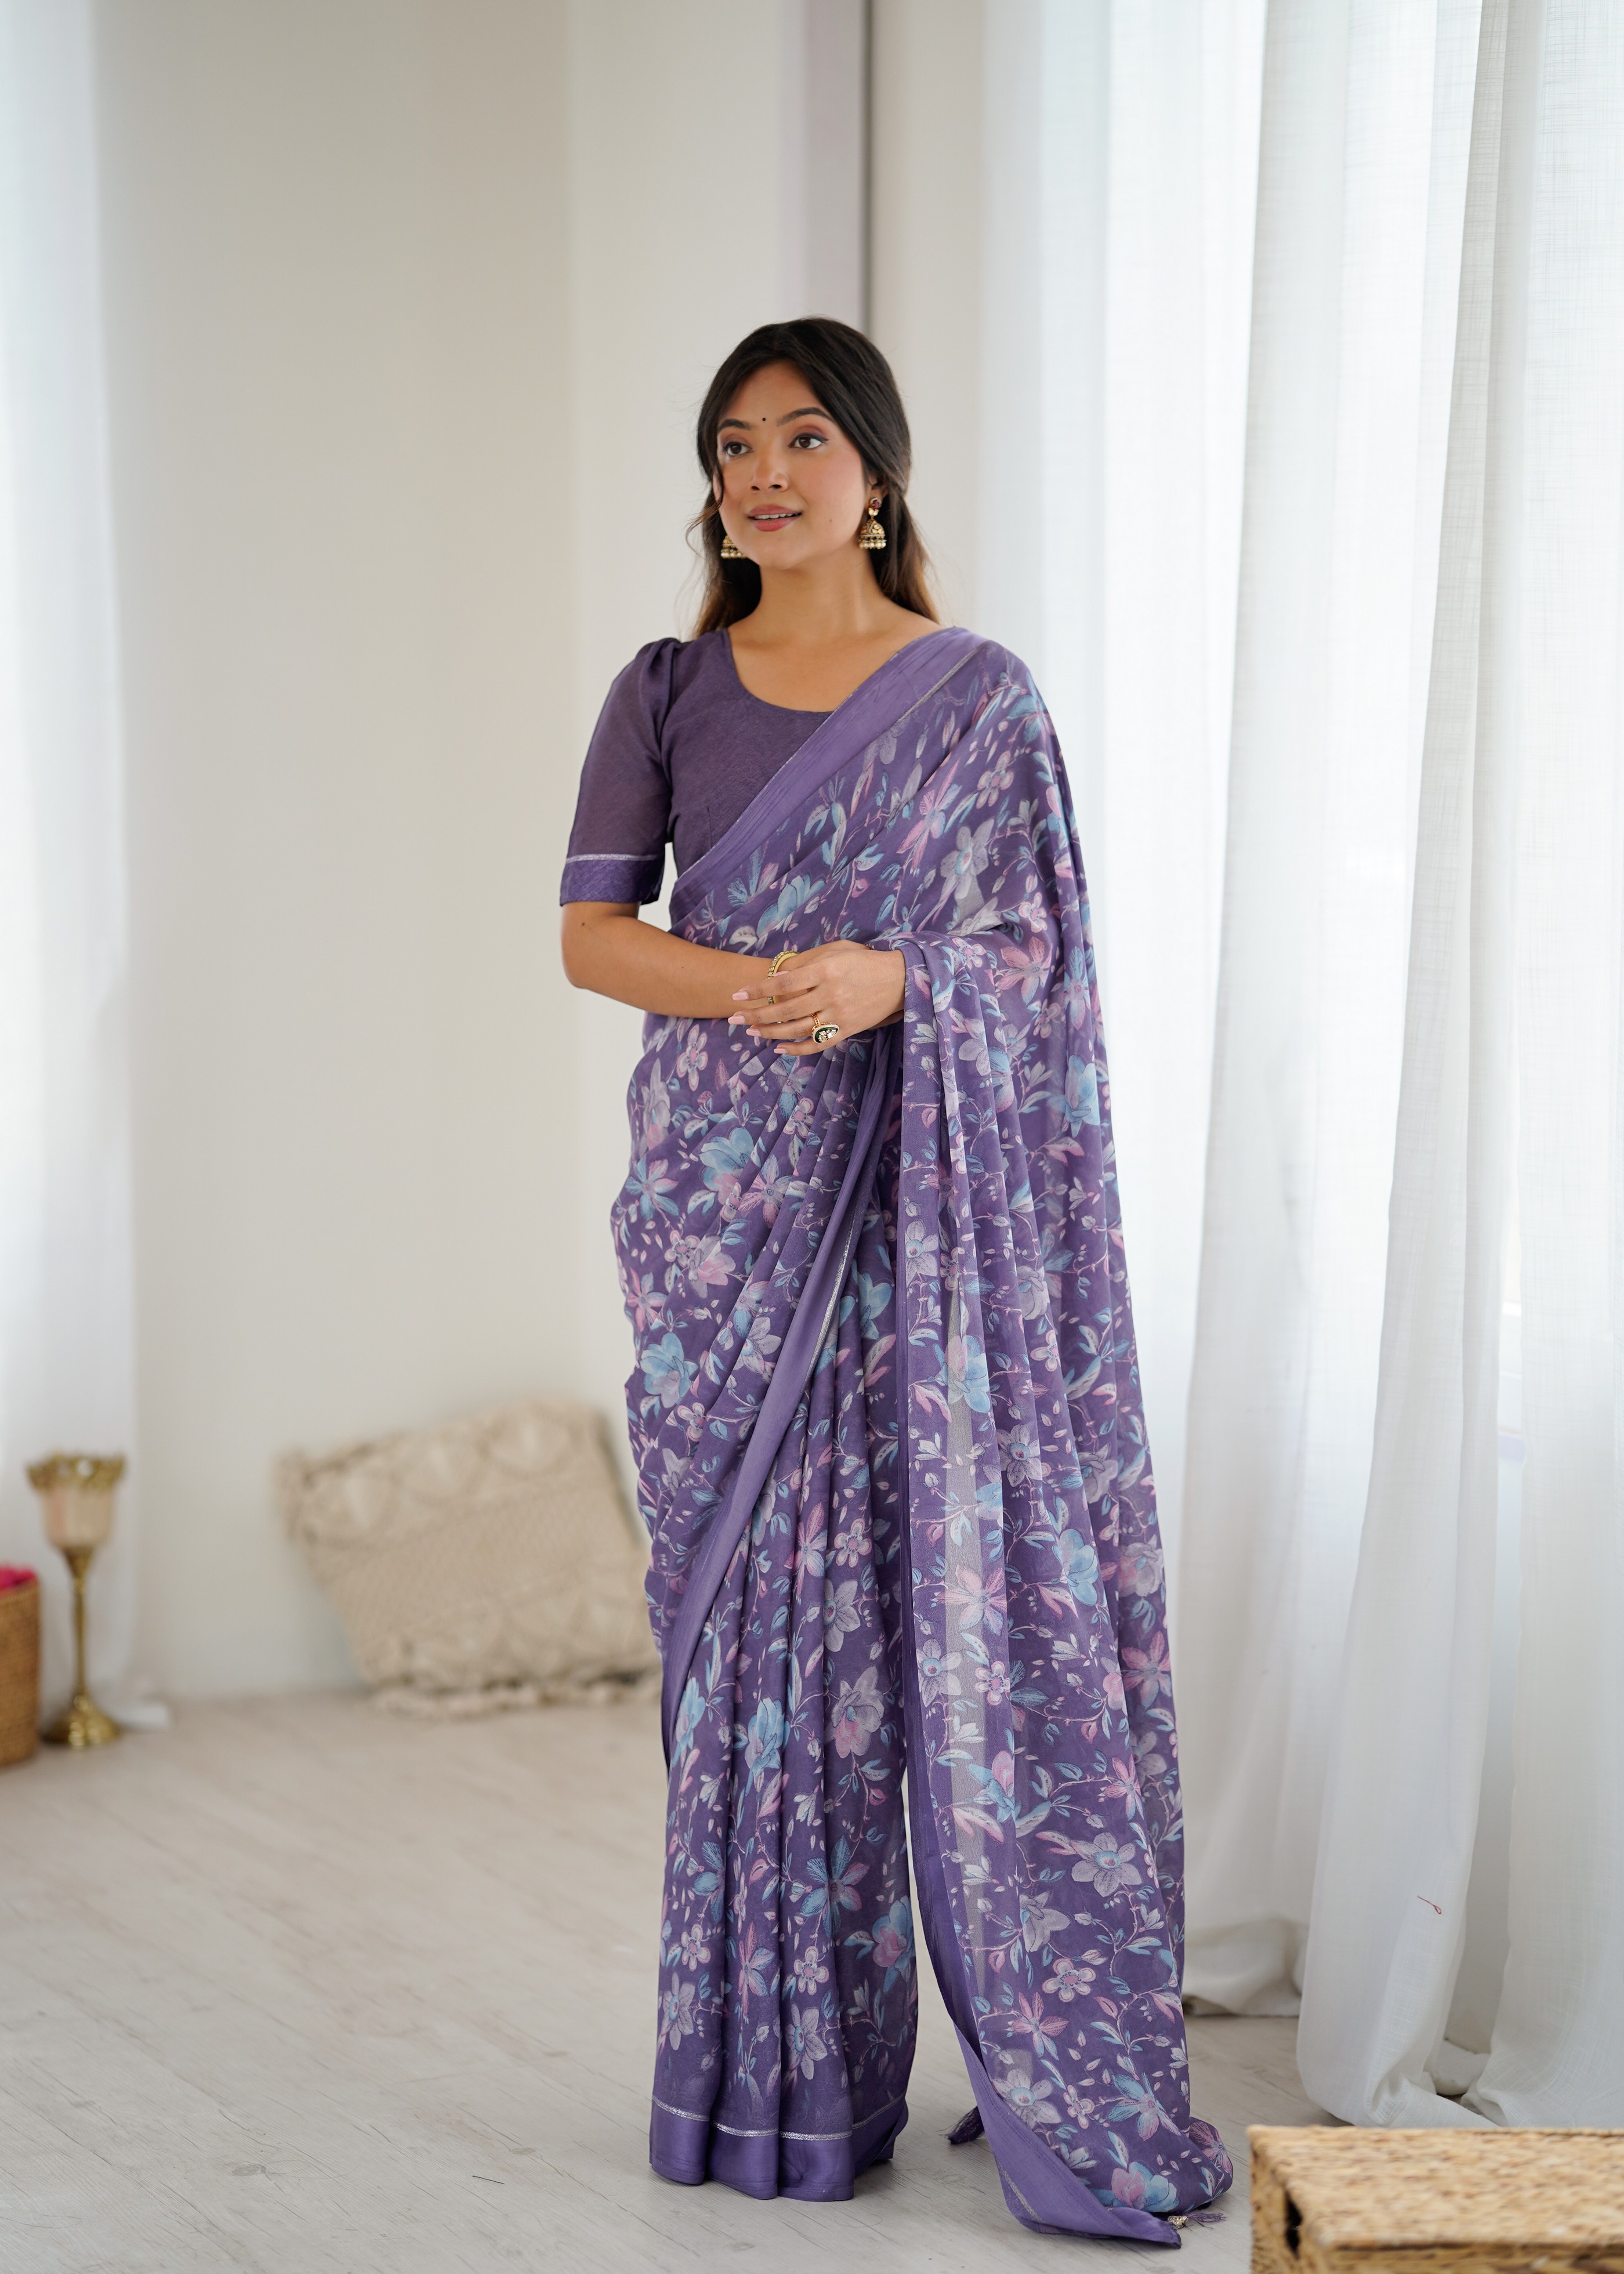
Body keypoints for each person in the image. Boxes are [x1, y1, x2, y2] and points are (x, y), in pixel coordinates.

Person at [559, 317, 1231, 2242]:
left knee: (913, 1628)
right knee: (756, 1649)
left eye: (801, 439)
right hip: (724, 1219)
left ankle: (1044, 2046)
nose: (763, 475)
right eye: (732, 446)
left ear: (876, 471)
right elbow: (595, 935)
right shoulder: (667, 688)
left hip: (923, 1238)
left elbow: (1035, 966)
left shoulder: (977, 699)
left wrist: (895, 983)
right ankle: (782, 2085)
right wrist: (768, 989)